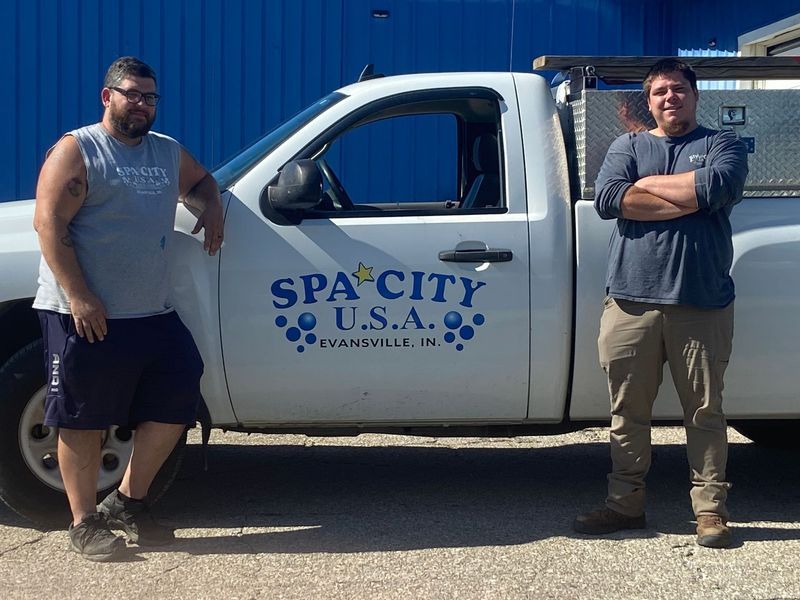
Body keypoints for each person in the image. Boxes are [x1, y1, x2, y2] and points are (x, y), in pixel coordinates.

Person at [32, 56, 223, 561]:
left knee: (177, 396)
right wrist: (79, 295)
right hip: (84, 313)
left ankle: (128, 502)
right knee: (82, 418)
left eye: (150, 97)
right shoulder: (79, 150)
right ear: (107, 96)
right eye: (132, 94)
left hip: (151, 313)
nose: (141, 104)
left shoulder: (165, 152)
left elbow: (201, 183)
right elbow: (49, 224)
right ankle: (83, 521)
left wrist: (214, 207)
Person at [573, 58, 748, 548]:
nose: (670, 97)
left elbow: (719, 186)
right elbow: (610, 198)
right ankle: (624, 505)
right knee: (627, 412)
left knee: (706, 414)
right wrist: (688, 195)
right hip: (631, 303)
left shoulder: (722, 145)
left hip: (702, 302)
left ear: (695, 95)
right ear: (648, 102)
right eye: (660, 92)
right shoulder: (627, 145)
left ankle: (710, 512)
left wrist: (644, 185)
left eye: (679, 89)